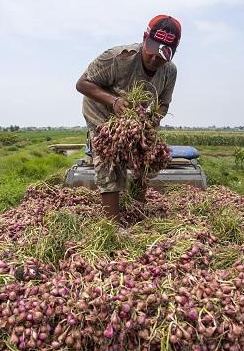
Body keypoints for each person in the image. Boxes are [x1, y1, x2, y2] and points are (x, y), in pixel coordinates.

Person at [76, 14, 181, 221]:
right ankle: (112, 225)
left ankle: (137, 207)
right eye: (152, 52)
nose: (154, 59)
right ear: (144, 38)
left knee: (148, 156)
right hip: (102, 111)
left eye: (162, 56)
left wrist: (153, 120)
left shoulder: (169, 71)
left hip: (136, 117)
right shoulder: (117, 58)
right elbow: (82, 84)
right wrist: (114, 101)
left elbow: (163, 103)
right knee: (110, 159)